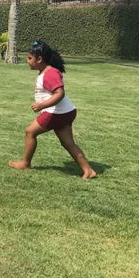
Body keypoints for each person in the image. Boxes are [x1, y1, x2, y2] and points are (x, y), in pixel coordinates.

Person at [9, 41, 97, 179]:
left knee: (30, 132)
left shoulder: (49, 74)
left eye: (29, 58)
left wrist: (42, 105)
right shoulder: (46, 72)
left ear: (39, 60)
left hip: (57, 113)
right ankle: (88, 170)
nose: (27, 61)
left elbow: (59, 93)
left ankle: (25, 163)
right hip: (66, 112)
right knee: (68, 143)